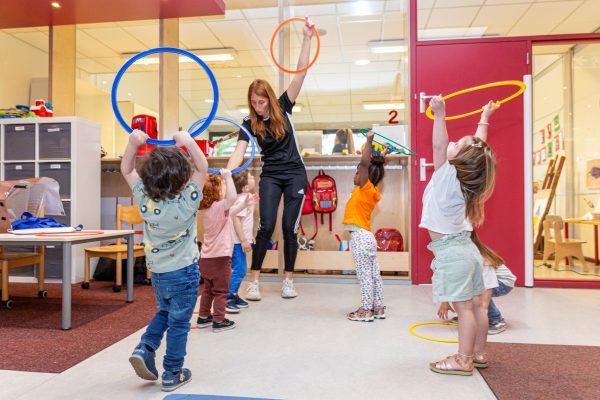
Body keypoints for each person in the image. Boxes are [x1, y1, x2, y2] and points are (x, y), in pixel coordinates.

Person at [227, 16, 315, 300]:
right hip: (271, 176)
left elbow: (300, 73)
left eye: (261, 101)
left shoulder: (283, 106)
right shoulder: (248, 122)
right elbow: (238, 153)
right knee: (266, 226)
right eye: (253, 102)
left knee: (289, 226)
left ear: (268, 98)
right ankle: (254, 281)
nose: (258, 106)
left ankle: (288, 280)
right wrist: (226, 174)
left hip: (295, 173)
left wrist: (307, 38)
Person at [123, 130, 207, 392]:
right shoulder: (188, 200)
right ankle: (172, 371)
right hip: (184, 272)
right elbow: (203, 167)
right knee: (180, 322)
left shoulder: (145, 200)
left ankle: (145, 346)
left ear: (148, 178)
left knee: (165, 311)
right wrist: (188, 142)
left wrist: (133, 144)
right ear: (183, 180)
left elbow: (126, 170)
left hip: (157, 272)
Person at [420, 97, 498, 376]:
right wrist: (484, 117)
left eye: (457, 145)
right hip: (467, 250)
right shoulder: (468, 177)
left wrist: (439, 115)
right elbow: (478, 148)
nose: (451, 145)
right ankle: (477, 353)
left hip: (453, 253)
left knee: (463, 308)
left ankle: (463, 360)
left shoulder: (448, 174)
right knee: (477, 305)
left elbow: (440, 145)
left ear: (460, 159)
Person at [342, 131, 387, 322]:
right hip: (368, 237)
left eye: (358, 172)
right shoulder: (372, 191)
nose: (357, 173)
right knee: (374, 274)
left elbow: (364, 163)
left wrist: (369, 141)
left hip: (360, 238)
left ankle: (366, 310)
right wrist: (382, 157)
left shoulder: (365, 188)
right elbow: (370, 165)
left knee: (365, 276)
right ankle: (378, 307)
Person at [438, 231, 517, 338]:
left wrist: (481, 318)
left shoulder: (482, 260)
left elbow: (486, 289)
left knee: (475, 292)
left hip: (503, 283)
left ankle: (496, 320)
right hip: (485, 281)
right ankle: (470, 314)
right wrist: (445, 301)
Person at [196, 169, 242, 332]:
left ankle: (203, 317)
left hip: (206, 259)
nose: (225, 189)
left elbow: (231, 211)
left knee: (208, 290)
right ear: (217, 191)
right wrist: (228, 177)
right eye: (223, 187)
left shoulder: (206, 209)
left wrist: (246, 203)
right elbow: (232, 198)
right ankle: (219, 320)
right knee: (221, 291)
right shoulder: (220, 205)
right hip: (220, 258)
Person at [226, 170, 259, 313]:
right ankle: (228, 297)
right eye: (251, 177)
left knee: (241, 269)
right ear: (245, 187)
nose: (254, 177)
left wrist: (250, 235)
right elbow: (237, 221)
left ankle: (233, 294)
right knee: (239, 269)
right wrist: (244, 239)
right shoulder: (241, 200)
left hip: (241, 239)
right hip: (237, 241)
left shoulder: (247, 197)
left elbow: (247, 220)